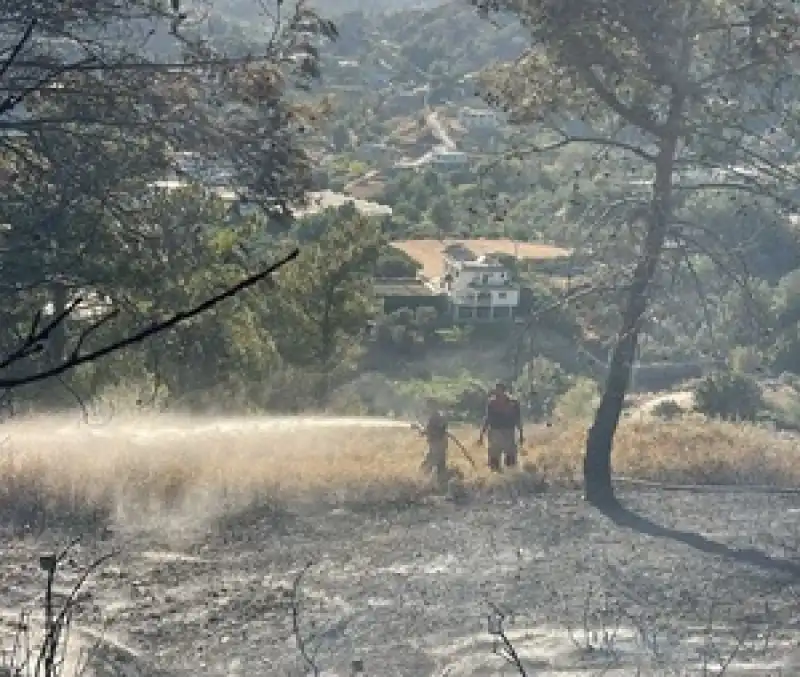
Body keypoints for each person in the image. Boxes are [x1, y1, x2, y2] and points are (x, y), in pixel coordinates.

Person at [478, 382, 523, 472]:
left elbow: (518, 419)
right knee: (494, 461)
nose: (497, 393)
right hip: (495, 432)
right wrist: (481, 435)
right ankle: (496, 478)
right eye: (496, 391)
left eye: (499, 391)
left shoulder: (513, 404)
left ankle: (511, 478)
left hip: (509, 432)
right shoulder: (492, 404)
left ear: (504, 391)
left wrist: (521, 434)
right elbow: (487, 419)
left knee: (511, 461)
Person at [417, 399, 449, 486]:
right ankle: (443, 484)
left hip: (436, 444)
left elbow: (429, 431)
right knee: (440, 465)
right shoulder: (439, 416)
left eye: (428, 406)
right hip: (441, 443)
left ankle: (420, 482)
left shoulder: (434, 417)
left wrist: (419, 429)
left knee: (427, 464)